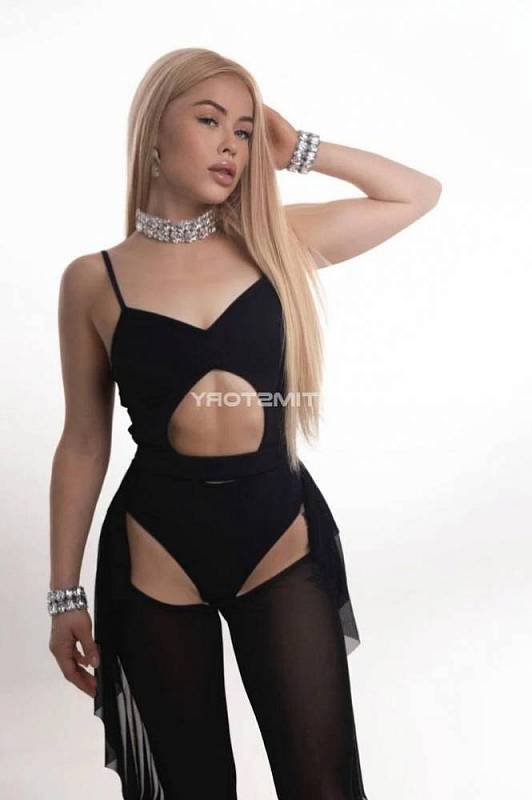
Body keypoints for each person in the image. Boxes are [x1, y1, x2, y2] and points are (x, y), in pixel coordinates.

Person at [48, 47, 441, 800]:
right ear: (153, 131)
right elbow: (83, 441)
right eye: (209, 121)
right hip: (155, 550)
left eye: (244, 130)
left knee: (322, 784)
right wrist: (64, 594)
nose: (230, 145)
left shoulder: (273, 243)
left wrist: (299, 150)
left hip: (278, 537)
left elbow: (415, 195)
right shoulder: (93, 280)